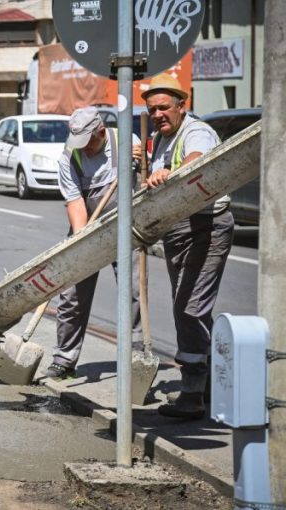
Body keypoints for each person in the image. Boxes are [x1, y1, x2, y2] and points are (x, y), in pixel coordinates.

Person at [142, 74, 233, 419]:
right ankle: (209, 384)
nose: (158, 115)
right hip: (178, 229)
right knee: (190, 306)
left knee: (189, 308)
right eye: (152, 110)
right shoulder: (159, 138)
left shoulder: (196, 131)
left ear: (182, 106)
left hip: (206, 227)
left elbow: (196, 158)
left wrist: (171, 172)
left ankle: (193, 394)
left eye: (164, 108)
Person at [44, 106, 143, 379]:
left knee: (134, 293)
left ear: (101, 132)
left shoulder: (127, 142)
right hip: (87, 225)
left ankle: (135, 359)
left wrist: (141, 160)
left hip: (126, 229)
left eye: (88, 142)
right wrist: (82, 243)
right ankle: (64, 359)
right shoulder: (69, 156)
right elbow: (75, 203)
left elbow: (143, 184)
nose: (84, 149)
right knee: (72, 295)